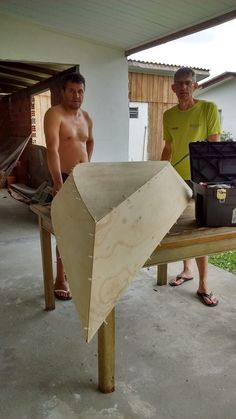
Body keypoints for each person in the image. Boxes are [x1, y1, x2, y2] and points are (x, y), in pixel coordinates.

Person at [161, 66, 221, 307]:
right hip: (176, 179)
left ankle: (204, 284)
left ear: (195, 86)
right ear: (173, 87)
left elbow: (214, 145)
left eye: (188, 83)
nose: (183, 87)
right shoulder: (169, 115)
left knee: (199, 230)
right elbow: (168, 148)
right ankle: (186, 270)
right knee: (181, 228)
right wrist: (161, 173)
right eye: (179, 84)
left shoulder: (208, 108)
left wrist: (208, 178)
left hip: (201, 181)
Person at [44, 72, 94, 300]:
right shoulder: (54, 114)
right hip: (63, 179)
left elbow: (89, 141)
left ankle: (76, 271)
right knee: (64, 231)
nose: (77, 95)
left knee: (83, 229)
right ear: (63, 92)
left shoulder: (86, 117)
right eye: (72, 91)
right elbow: (52, 150)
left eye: (80, 91)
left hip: (83, 180)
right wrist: (57, 182)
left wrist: (87, 166)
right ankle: (60, 278)